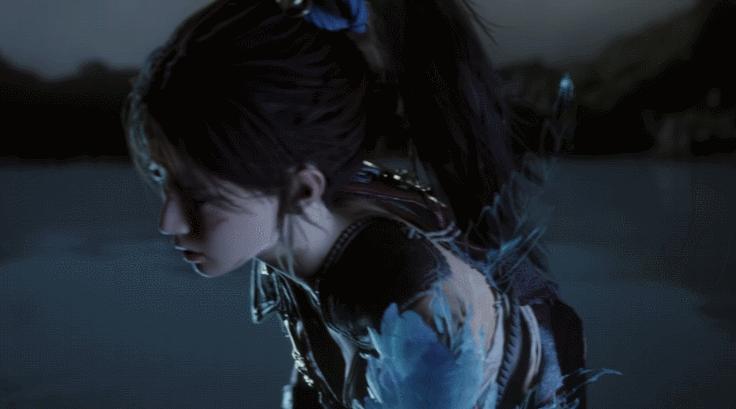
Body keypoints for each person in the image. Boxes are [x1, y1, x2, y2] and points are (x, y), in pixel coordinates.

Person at [123, 0, 613, 407]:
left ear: (304, 189)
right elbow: (316, 375)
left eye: (201, 197)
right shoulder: (293, 228)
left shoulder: (417, 303)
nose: (169, 221)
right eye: (165, 179)